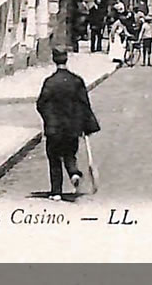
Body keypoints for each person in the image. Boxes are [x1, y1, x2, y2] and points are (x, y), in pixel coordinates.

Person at [35, 49, 101, 201]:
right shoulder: (76, 81)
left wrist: (48, 119)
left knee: (54, 158)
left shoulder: (50, 82)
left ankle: (56, 191)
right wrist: (88, 126)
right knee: (70, 154)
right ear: (66, 60)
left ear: (54, 60)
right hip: (72, 129)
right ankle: (74, 173)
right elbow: (84, 104)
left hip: (54, 129)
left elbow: (41, 104)